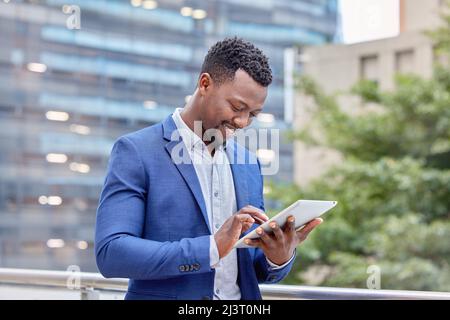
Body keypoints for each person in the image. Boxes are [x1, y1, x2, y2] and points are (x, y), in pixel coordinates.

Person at [94, 37, 323, 300]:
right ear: (205, 84)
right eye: (237, 107)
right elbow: (111, 253)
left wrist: (277, 257)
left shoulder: (248, 163)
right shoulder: (136, 151)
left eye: (253, 114)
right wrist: (211, 248)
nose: (242, 121)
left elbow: (250, 267)